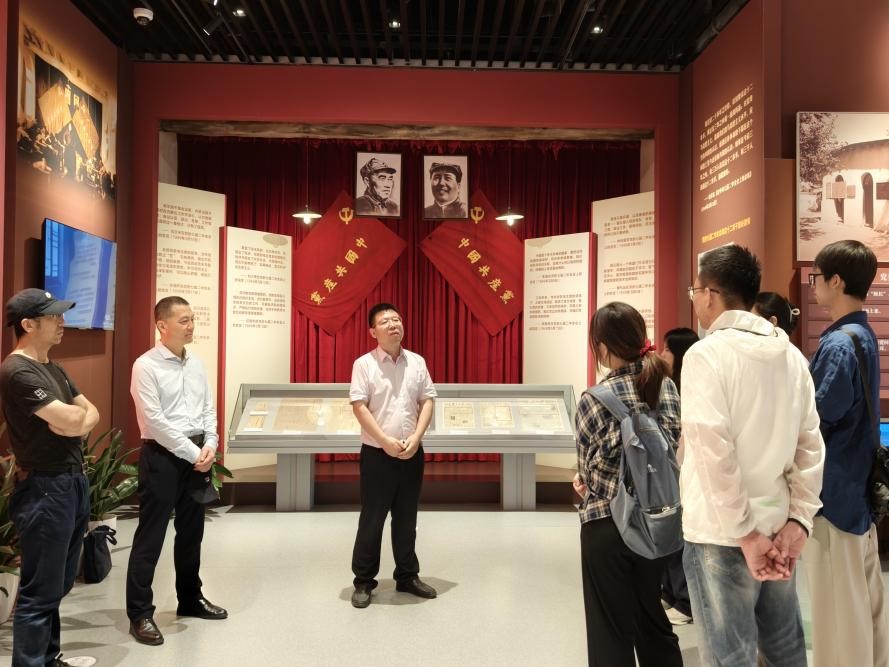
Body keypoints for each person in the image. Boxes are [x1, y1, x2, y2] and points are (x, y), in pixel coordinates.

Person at [681, 244, 824, 666]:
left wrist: (745, 533)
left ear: (710, 294)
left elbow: (713, 451)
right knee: (785, 650)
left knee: (729, 656)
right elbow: (810, 445)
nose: (695, 300)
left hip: (720, 534)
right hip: (779, 527)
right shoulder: (791, 355)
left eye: (695, 291)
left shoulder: (706, 354)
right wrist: (799, 521)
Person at [572, 302, 683, 667]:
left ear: (602, 348)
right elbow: (674, 445)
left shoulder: (593, 399)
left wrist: (585, 480)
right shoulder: (666, 386)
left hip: (607, 523)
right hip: (656, 520)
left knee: (609, 631)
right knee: (651, 616)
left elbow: (588, 473)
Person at [0, 288, 99, 667]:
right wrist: (75, 422)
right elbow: (74, 417)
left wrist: (76, 424)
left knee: (56, 584)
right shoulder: (18, 370)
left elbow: (88, 413)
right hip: (45, 488)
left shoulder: (53, 368)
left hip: (71, 482)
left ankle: (49, 657)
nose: (62, 322)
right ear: (28, 324)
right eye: (53, 316)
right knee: (40, 591)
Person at [805, 240, 889, 667]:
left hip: (833, 494)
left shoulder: (838, 343)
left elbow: (817, 417)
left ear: (835, 280)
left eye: (816, 277)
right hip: (857, 490)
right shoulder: (862, 334)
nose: (813, 285)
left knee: (838, 610)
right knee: (864, 599)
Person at [126, 296, 227, 646]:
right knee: (151, 535)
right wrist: (193, 452)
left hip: (198, 455)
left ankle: (190, 598)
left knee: (191, 532)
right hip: (163, 458)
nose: (191, 325)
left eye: (192, 319)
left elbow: (208, 408)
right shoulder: (145, 366)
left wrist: (211, 442)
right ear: (162, 326)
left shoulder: (196, 363)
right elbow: (154, 421)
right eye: (184, 320)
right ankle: (140, 613)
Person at [349, 303, 436, 608]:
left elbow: (427, 400)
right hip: (377, 453)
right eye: (385, 321)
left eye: (397, 319)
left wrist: (416, 438)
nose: (393, 324)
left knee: (407, 518)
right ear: (373, 331)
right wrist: (384, 440)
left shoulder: (417, 362)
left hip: (411, 452)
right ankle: (363, 581)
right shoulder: (364, 364)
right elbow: (359, 406)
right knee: (372, 519)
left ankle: (407, 575)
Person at [658, 326, 699, 626]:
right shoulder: (669, 384)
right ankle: (670, 593)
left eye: (667, 349)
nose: (662, 354)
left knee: (680, 536)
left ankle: (685, 602)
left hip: (684, 472)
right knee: (669, 534)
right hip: (672, 471)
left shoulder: (691, 386)